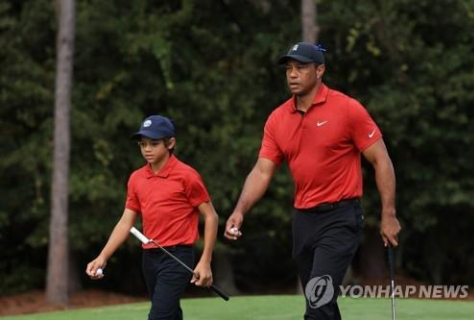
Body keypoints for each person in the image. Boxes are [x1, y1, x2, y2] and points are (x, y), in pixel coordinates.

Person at [224, 42, 401, 320]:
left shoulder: (347, 109)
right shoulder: (278, 119)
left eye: (301, 68)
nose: (292, 74)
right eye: (289, 69)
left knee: (317, 305)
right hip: (304, 220)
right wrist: (239, 210)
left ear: (320, 70)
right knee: (323, 304)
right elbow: (261, 171)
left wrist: (388, 213)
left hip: (340, 217)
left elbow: (381, 160)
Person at [86, 115, 219, 320]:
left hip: (178, 257)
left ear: (170, 143)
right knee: (169, 314)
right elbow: (125, 222)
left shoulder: (187, 176)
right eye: (143, 144)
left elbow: (211, 217)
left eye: (154, 144)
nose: (147, 149)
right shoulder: (136, 178)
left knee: (158, 316)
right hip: (150, 259)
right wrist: (103, 257)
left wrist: (205, 261)